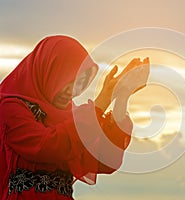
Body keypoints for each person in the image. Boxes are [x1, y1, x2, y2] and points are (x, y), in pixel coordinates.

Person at [0, 35, 149, 199]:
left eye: (79, 83)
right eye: (66, 80)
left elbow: (105, 160)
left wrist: (122, 97)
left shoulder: (71, 116)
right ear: (48, 70)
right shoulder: (11, 107)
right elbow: (47, 146)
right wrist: (102, 101)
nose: (71, 91)